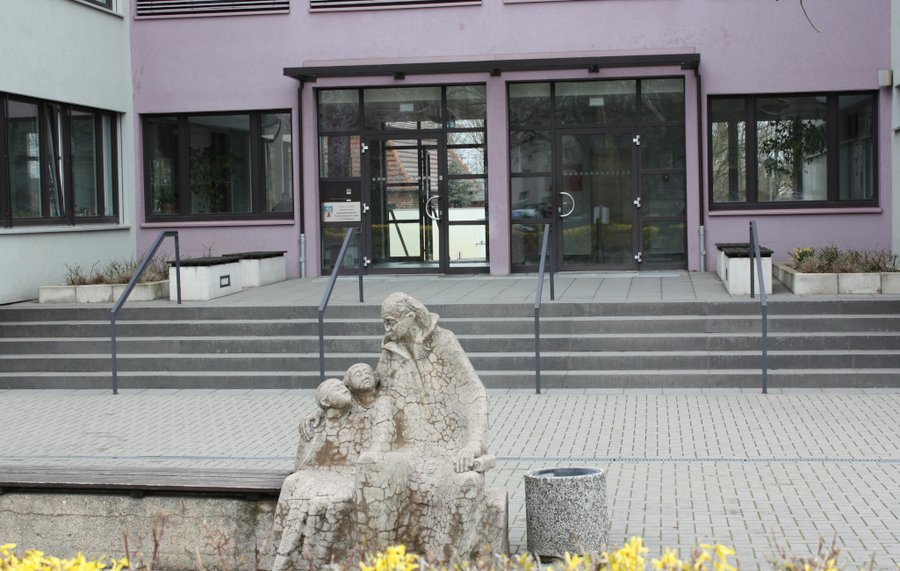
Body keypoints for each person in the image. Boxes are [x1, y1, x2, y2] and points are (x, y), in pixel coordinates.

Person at [354, 292, 490, 560]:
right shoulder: (390, 350)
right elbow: (374, 395)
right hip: (406, 451)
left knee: (465, 485)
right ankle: (380, 563)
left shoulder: (445, 342)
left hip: (449, 449)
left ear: (410, 317)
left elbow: (475, 393)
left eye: (391, 322)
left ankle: (443, 563)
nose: (387, 329)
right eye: (385, 322)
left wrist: (473, 445)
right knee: (372, 474)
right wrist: (333, 412)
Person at [272, 365, 378, 571]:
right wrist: (319, 413)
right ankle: (282, 556)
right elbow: (303, 463)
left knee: (323, 502)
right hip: (322, 472)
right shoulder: (323, 419)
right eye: (339, 388)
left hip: (352, 473)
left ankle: (313, 560)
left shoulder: (371, 408)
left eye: (343, 387)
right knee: (292, 483)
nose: (344, 390)